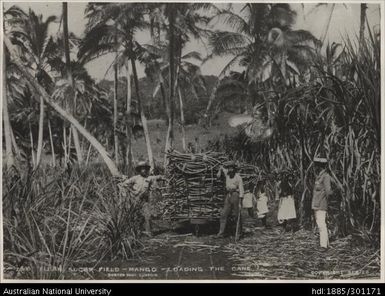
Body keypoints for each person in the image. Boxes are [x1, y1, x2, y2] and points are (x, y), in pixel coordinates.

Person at [118, 161, 163, 237]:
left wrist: (165, 178)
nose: (144, 170)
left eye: (145, 169)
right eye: (142, 169)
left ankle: (148, 232)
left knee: (147, 215)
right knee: (136, 216)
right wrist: (132, 191)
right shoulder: (135, 178)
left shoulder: (149, 178)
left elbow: (159, 177)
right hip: (135, 200)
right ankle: (136, 232)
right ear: (139, 170)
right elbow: (124, 184)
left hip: (145, 200)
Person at [216, 161, 244, 239]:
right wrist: (220, 169)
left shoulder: (238, 177)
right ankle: (221, 233)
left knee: (237, 215)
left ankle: (238, 233)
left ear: (234, 169)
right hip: (228, 195)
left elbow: (241, 189)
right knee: (223, 214)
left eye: (232, 168)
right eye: (229, 168)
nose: (230, 170)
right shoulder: (227, 174)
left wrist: (240, 202)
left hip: (235, 195)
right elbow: (221, 169)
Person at [312, 157, 332, 250]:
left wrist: (327, 202)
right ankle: (323, 243)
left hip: (321, 204)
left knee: (321, 224)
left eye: (317, 165)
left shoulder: (326, 176)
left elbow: (328, 191)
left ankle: (324, 245)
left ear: (321, 166)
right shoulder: (319, 176)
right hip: (316, 204)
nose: (315, 167)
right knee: (319, 223)